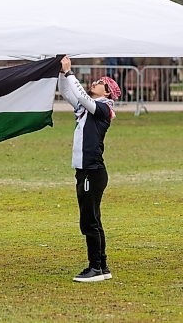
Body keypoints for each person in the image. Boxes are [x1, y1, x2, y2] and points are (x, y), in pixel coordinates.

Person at [58, 56, 120, 282]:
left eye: (101, 82)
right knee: (93, 219)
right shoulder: (89, 109)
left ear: (107, 93)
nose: (95, 82)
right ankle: (102, 266)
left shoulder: (103, 108)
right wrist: (61, 72)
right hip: (86, 171)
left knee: (89, 221)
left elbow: (82, 96)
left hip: (92, 171)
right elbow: (67, 93)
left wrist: (70, 72)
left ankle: (95, 267)